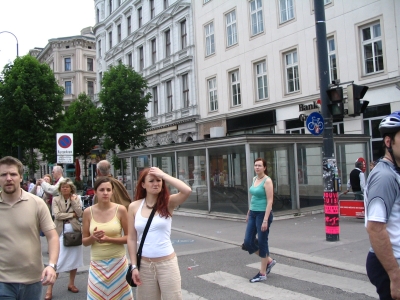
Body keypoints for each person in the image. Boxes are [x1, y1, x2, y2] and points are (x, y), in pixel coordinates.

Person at [127, 167, 192, 300]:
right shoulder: (134, 206)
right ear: (143, 185)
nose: (155, 183)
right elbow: (132, 238)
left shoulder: (169, 202)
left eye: (159, 180)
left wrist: (163, 175)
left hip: (167, 264)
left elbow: (187, 190)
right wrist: (134, 266)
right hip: (144, 265)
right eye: (151, 181)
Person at [0, 156, 59, 300]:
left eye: (13, 174)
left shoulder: (37, 203)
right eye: (3, 174)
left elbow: (52, 236)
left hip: (33, 280)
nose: (8, 178)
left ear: (21, 177)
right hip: (3, 281)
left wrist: (51, 265)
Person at [365, 111, 400, 300]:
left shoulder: (395, 171)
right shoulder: (384, 177)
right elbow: (375, 228)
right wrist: (395, 276)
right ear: (389, 142)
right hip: (391, 262)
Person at [82, 177, 132, 300]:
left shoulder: (120, 209)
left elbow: (129, 237)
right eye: (102, 190)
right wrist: (93, 237)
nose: (105, 193)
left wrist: (109, 239)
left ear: (112, 192)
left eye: (108, 190)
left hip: (118, 262)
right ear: (95, 192)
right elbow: (84, 241)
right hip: (97, 263)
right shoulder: (88, 212)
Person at [44, 178, 83, 300]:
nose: (65, 189)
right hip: (60, 231)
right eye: (62, 187)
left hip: (74, 231)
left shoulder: (76, 198)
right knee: (58, 260)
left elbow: (80, 213)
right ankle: (49, 289)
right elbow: (57, 215)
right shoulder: (56, 199)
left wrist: (74, 202)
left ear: (71, 189)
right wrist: (72, 215)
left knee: (74, 258)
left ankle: (71, 283)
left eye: (67, 187)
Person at [243, 158, 276, 283]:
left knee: (262, 242)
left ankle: (262, 273)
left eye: (260, 166)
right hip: (253, 213)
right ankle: (269, 261)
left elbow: (270, 201)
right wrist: (249, 212)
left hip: (263, 214)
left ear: (264, 167)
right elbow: (254, 198)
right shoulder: (254, 179)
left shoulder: (267, 181)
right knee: (248, 242)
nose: (257, 167)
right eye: (255, 165)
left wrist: (265, 220)